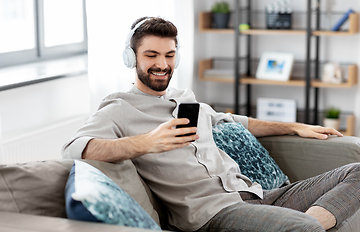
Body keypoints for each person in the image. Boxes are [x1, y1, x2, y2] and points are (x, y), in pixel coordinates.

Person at [62, 16, 360, 232]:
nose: (162, 64)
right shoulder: (120, 108)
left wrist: (294, 126)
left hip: (254, 195)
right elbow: (74, 149)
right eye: (151, 55)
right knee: (301, 228)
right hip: (213, 214)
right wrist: (147, 143)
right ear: (132, 58)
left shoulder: (186, 99)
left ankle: (308, 224)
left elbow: (235, 121)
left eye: (169, 55)